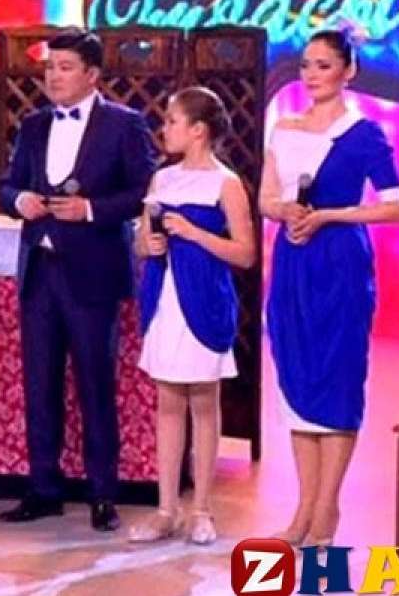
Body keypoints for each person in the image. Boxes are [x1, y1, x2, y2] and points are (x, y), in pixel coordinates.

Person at [0, 28, 157, 531]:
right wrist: (19, 200)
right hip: (39, 272)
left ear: (92, 74)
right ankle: (43, 489)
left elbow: (143, 191)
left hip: (92, 273)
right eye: (49, 67)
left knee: (94, 384)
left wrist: (90, 209)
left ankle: (103, 494)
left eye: (65, 67)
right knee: (39, 385)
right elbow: (7, 185)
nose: (53, 76)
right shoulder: (33, 124)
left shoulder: (124, 124)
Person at [261, 28, 399, 546]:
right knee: (297, 378)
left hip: (341, 264)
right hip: (293, 262)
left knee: (337, 378)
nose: (311, 75)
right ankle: (303, 511)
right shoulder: (283, 129)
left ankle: (327, 511)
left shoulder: (363, 134)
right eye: (306, 65)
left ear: (348, 71)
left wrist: (330, 215)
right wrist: (285, 210)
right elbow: (265, 198)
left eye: (323, 65)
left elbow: (396, 206)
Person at [128, 87, 254, 544]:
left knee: (203, 401)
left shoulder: (226, 183)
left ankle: (201, 509)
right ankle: (166, 509)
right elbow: (141, 242)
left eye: (172, 121)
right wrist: (149, 244)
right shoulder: (161, 180)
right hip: (164, 300)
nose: (164, 129)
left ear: (198, 130)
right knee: (168, 402)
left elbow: (245, 253)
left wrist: (195, 233)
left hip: (204, 302)